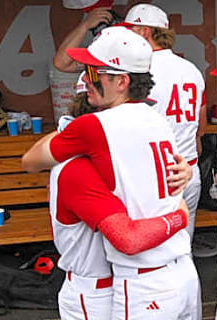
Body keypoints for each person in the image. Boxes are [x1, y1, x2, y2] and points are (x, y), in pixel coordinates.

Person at [21, 26, 198, 319]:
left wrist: (68, 130)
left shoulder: (97, 126)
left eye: (93, 72)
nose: (86, 79)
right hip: (182, 272)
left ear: (122, 81)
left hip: (144, 282)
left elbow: (30, 162)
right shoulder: (157, 119)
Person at [51, 84, 193, 320]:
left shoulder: (117, 161)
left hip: (122, 281)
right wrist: (180, 216)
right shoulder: (77, 169)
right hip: (94, 292)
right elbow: (129, 238)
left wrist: (185, 173)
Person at [120, 3, 207, 239]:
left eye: (130, 29)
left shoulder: (140, 70)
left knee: (156, 250)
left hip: (157, 175)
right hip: (189, 169)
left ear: (145, 32)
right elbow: (201, 126)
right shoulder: (191, 69)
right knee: (183, 247)